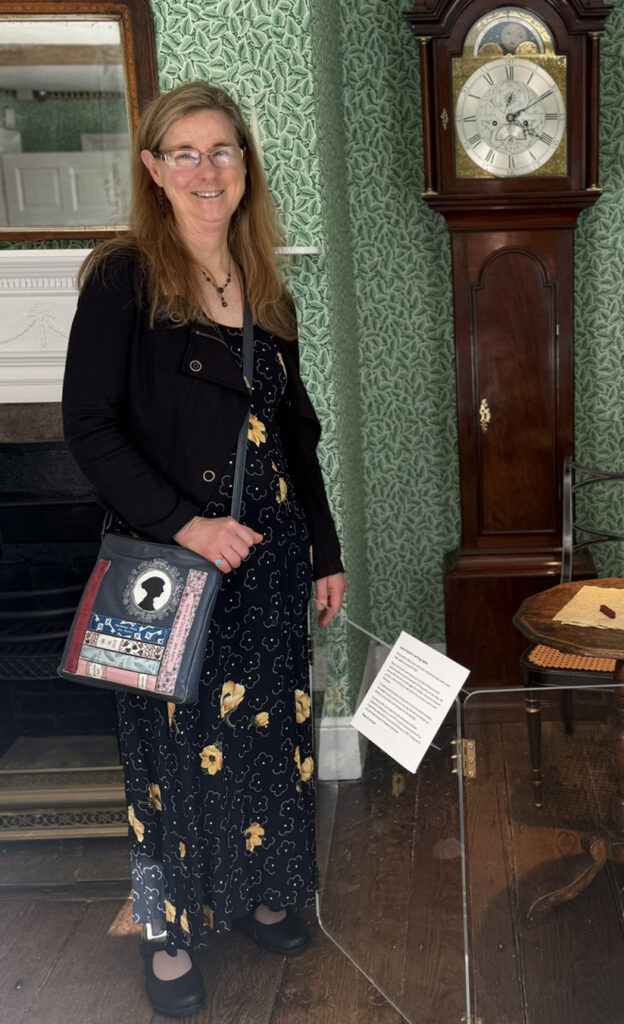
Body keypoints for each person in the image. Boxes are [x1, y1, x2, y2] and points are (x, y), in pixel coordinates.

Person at [62, 80, 346, 1018]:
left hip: (268, 572)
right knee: (166, 761)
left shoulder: (267, 288)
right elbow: (90, 427)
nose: (204, 170)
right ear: (152, 168)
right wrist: (187, 523)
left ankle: (265, 892)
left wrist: (326, 554)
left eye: (221, 150)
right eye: (182, 152)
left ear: (244, 166)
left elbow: (295, 439)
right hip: (176, 571)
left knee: (269, 738)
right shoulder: (123, 280)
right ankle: (167, 933)